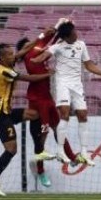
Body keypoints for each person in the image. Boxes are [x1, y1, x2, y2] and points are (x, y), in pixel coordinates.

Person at [31, 20, 101, 165]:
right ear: (66, 37)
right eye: (73, 32)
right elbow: (39, 58)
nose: (76, 33)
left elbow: (89, 65)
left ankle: (84, 153)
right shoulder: (57, 47)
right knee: (65, 113)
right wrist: (32, 58)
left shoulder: (81, 45)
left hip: (77, 85)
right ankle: (60, 151)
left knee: (83, 115)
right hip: (62, 83)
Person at [15, 21, 80, 188]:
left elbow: (47, 42)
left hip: (47, 98)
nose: (32, 43)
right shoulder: (31, 56)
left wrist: (60, 28)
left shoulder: (36, 51)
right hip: (37, 102)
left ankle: (72, 158)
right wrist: (53, 32)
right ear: (25, 49)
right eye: (28, 43)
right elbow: (45, 44)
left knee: (59, 129)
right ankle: (41, 172)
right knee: (41, 140)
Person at [0, 43, 53, 197]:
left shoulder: (8, 62)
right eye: (9, 54)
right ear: (2, 57)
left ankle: (39, 151)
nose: (13, 55)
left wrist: (39, 38)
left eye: (12, 53)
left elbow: (23, 50)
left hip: (7, 112)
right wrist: (49, 74)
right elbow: (29, 78)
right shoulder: (5, 71)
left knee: (35, 114)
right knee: (12, 149)